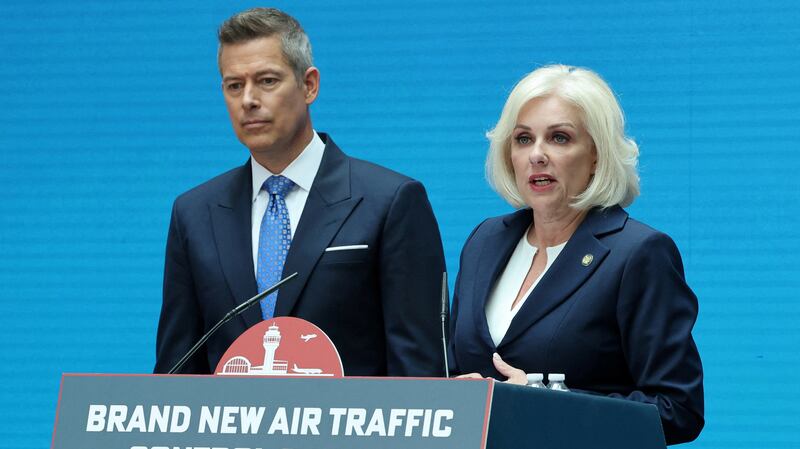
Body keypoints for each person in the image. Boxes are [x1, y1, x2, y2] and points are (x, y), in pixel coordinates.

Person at [154, 8, 446, 377]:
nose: (248, 100)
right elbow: (174, 374)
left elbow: (421, 374)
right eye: (234, 86)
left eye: (267, 81)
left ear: (309, 85)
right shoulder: (194, 213)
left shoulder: (391, 201)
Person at [448, 65, 703, 444]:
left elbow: (678, 409)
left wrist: (543, 402)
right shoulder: (485, 240)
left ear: (597, 155)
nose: (537, 155)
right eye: (522, 139)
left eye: (559, 138)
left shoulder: (637, 253)